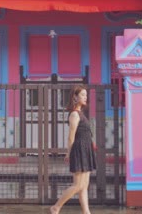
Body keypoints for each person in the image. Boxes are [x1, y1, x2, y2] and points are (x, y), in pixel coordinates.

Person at [50, 85, 95, 214]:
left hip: (86, 151)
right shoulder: (74, 115)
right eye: (82, 95)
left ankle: (86, 212)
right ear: (75, 97)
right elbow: (71, 137)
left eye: (86, 95)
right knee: (78, 185)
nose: (85, 97)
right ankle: (56, 207)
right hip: (79, 151)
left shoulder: (81, 113)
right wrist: (68, 153)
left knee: (84, 186)